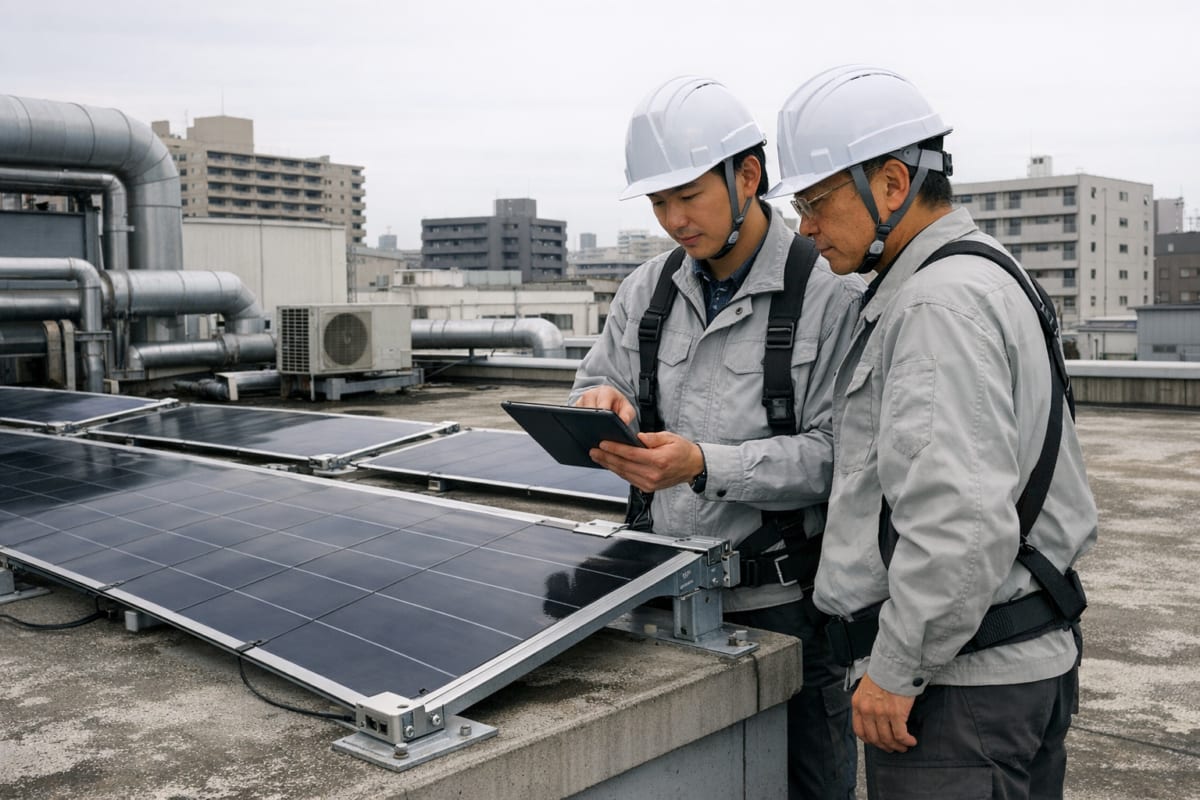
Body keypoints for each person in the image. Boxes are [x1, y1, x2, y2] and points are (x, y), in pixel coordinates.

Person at [766, 65, 1098, 799]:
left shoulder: (932, 305)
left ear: (890, 183)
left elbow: (960, 523)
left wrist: (895, 668)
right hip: (1013, 667)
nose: (806, 227)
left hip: (959, 693)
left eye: (816, 201)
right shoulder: (987, 272)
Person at [571, 75, 865, 799]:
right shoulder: (647, 290)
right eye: (658, 201)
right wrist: (595, 403)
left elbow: (842, 457)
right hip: (661, 590)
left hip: (787, 609)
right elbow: (590, 381)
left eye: (688, 196)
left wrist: (705, 464)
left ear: (749, 177)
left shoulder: (829, 292)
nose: (674, 219)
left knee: (810, 789)